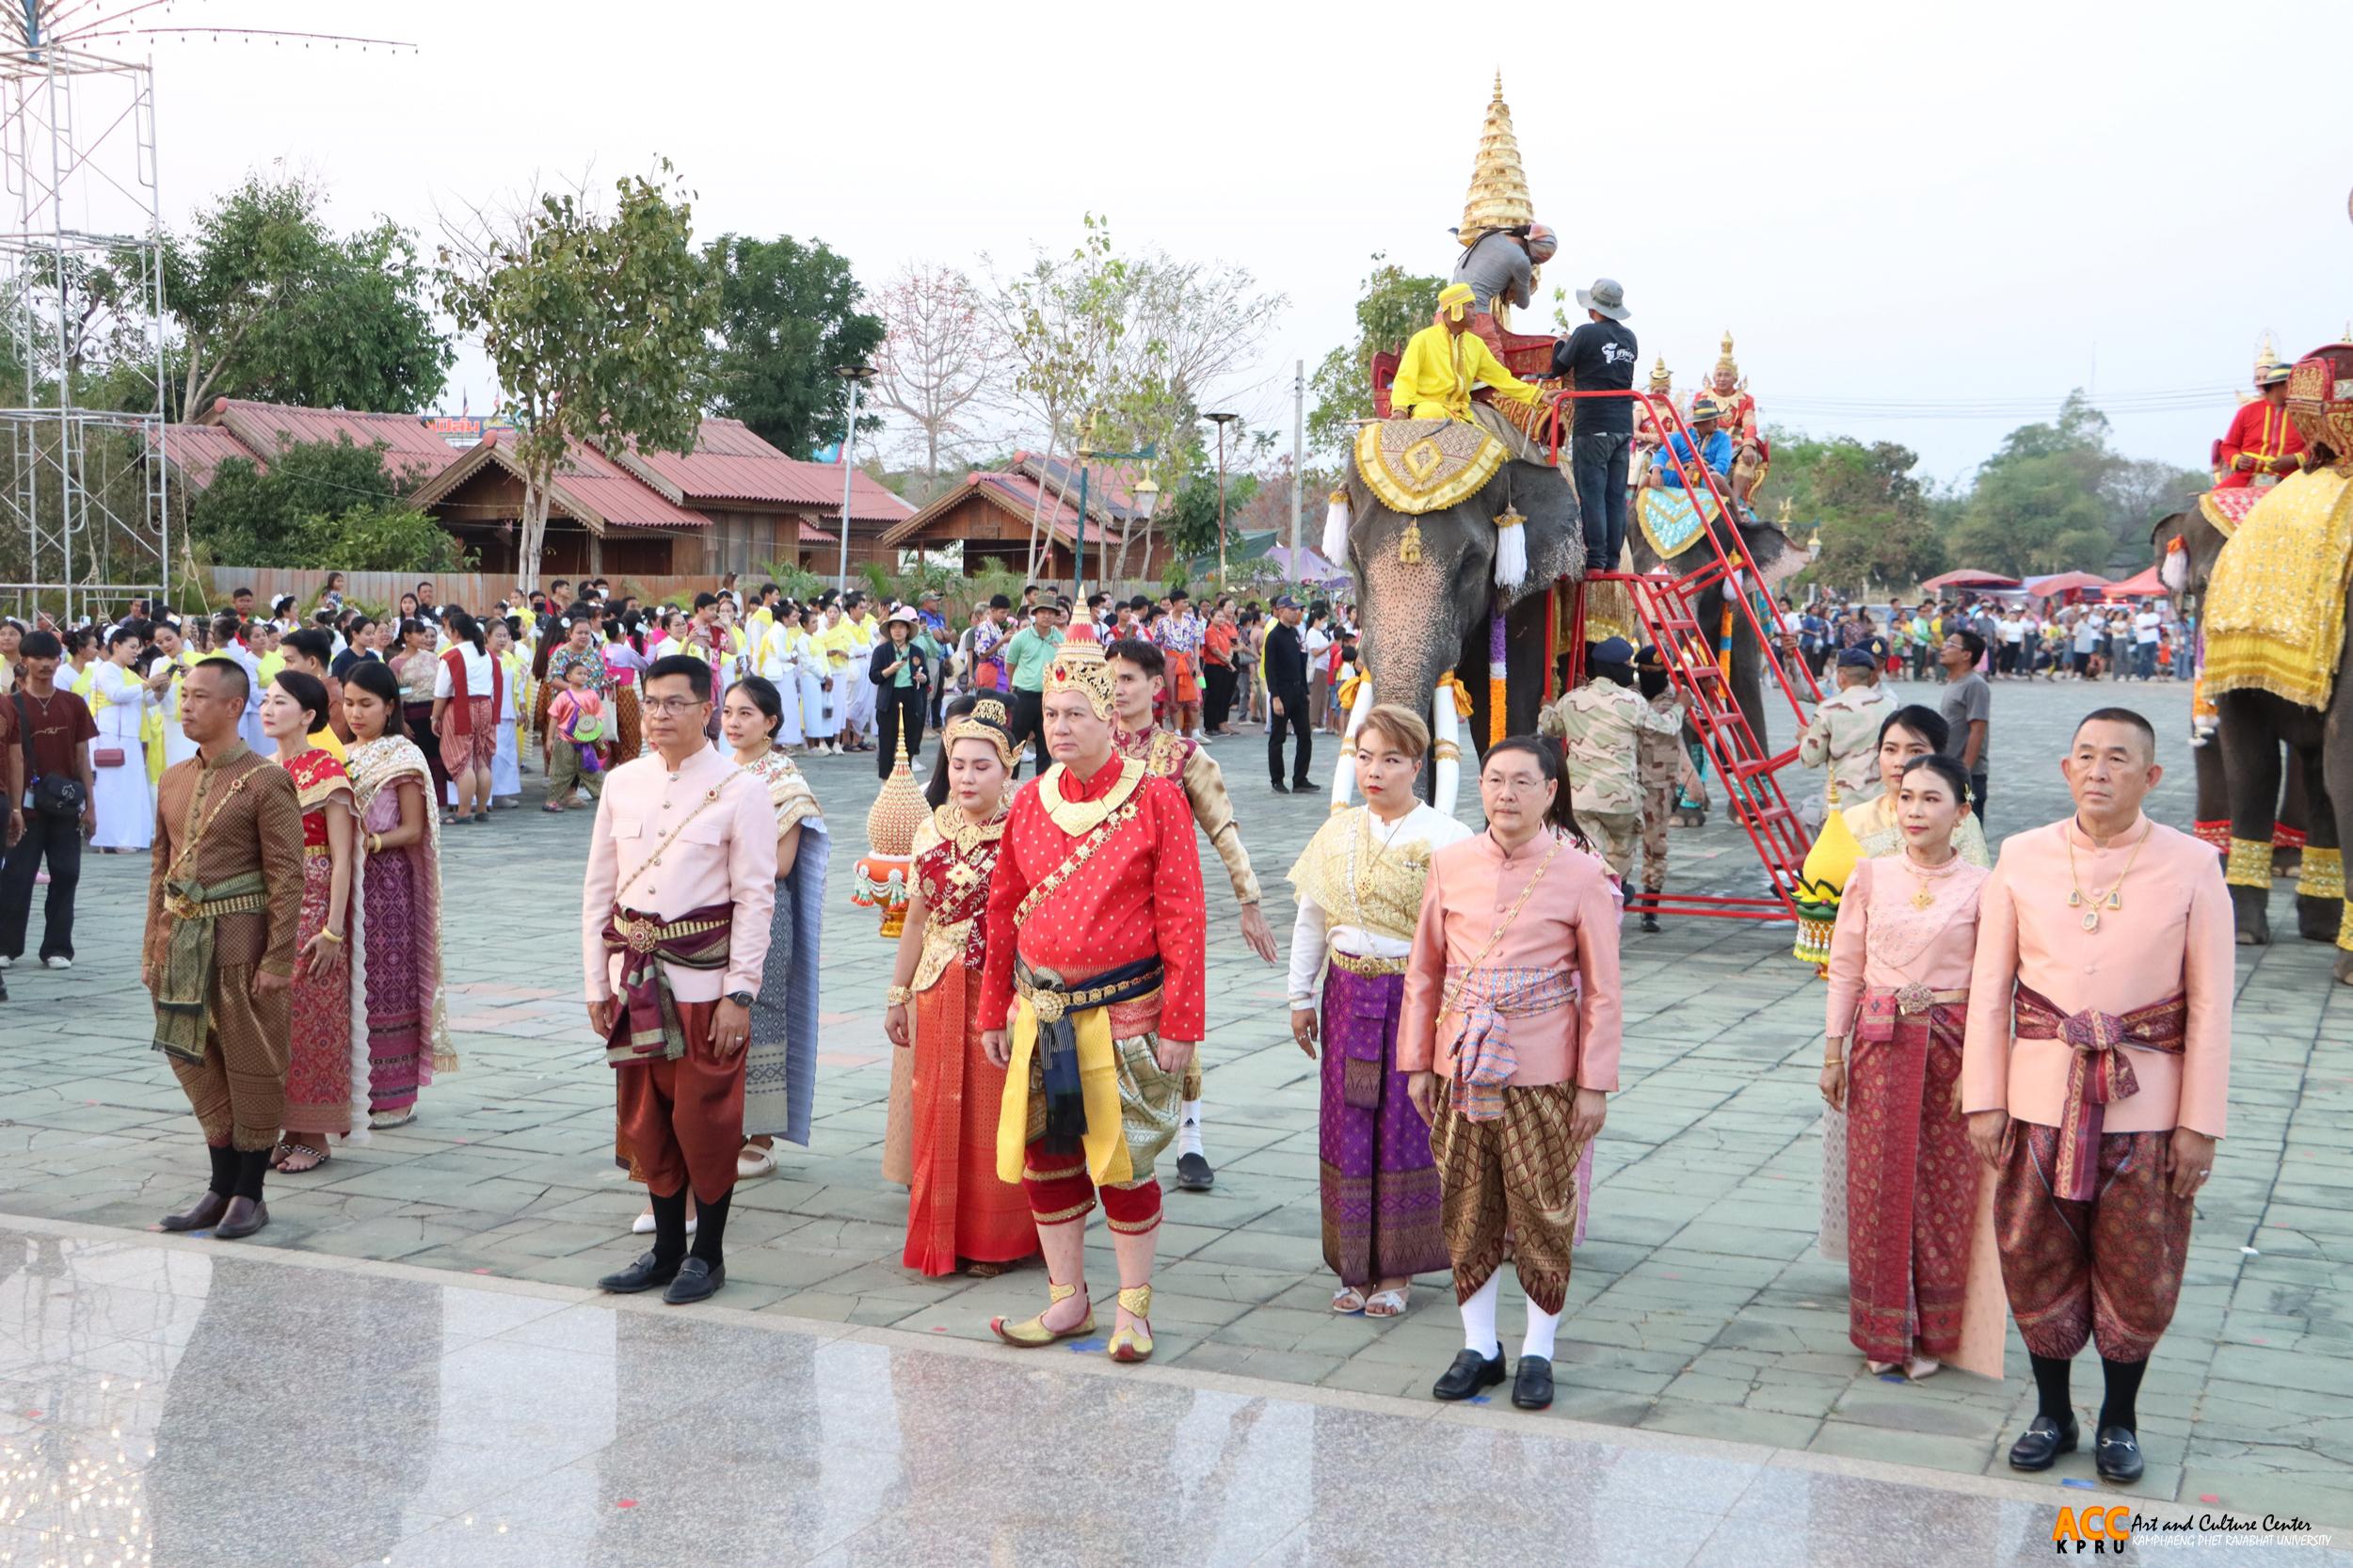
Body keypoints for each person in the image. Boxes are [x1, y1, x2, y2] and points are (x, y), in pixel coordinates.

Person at [1963, 709, 2232, 1484]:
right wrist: (1984, 1097)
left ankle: (2119, 1420)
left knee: (2139, 1267)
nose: (2099, 771)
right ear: (2065, 769)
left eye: (2118, 759)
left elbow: (2212, 1006)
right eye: (2085, 756)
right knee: (2034, 1255)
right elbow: (1989, 990)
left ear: (2152, 776)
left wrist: (2200, 1124)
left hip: (2147, 1106)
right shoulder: (2020, 856)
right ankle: (2053, 1412)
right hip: (2039, 1098)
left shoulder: (2192, 866)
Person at [976, 626, 1207, 1362]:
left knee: (1124, 1163)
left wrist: (1182, 1023)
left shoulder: (1157, 800)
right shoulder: (1029, 802)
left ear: (1112, 716)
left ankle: (1134, 1308)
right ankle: (1067, 1298)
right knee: (1049, 1158)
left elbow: (1184, 916)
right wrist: (991, 1009)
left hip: (1126, 1015)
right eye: (1050, 715)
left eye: (1076, 713)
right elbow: (1002, 909)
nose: (1061, 727)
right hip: (1039, 1013)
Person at [1400, 736, 1620, 1413]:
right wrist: (1416, 1063)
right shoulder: (1449, 863)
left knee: (1541, 1209)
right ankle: (1480, 1346)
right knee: (1468, 1206)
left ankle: (1538, 1350)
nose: (1506, 794)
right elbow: (1425, 971)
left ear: (1551, 792)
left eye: (1523, 782)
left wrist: (1593, 1084)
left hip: (1544, 1068)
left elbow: (1604, 989)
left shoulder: (1583, 873)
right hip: (1461, 1062)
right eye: (1495, 779)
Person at [584, 655, 777, 1305]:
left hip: (705, 985)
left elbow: (756, 898)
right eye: (651, 702)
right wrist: (595, 981)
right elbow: (599, 890)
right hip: (633, 981)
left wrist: (740, 993)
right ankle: (666, 1251)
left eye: (675, 703)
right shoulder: (622, 783)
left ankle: (708, 1255)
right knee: (646, 1120)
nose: (660, 715)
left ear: (707, 708)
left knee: (706, 1120)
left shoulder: (741, 788)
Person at [1818, 753, 2005, 1381]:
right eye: (1907, 798)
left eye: (1932, 799)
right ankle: (1882, 1331)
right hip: (1878, 1047)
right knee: (1877, 1188)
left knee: (1941, 1191)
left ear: (1962, 810)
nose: (1917, 811)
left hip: (1950, 1049)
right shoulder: (1869, 876)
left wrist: (1981, 1074)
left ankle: (1931, 1333)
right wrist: (1832, 1051)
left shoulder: (1985, 887)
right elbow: (1845, 966)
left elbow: (1992, 987)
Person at [1289, 704, 1469, 1317]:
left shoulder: (1447, 838)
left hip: (1413, 998)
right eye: (1365, 757)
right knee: (1345, 1124)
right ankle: (1352, 1266)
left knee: (1405, 1127)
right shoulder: (1336, 833)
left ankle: (1397, 1273)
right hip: (1344, 996)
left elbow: (1464, 938)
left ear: (1416, 765)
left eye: (1390, 759)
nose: (1375, 771)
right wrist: (1298, 995)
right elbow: (1311, 917)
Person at [1104, 637, 1280, 1192]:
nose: (1118, 688)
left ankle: (1191, 1137)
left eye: (1130, 677)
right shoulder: (1089, 748)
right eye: (1112, 677)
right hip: (1102, 910)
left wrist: (1249, 901)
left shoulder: (1183, 757)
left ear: (1158, 687)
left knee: (1177, 1017)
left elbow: (1223, 829)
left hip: (1169, 906)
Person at [145, 657, 305, 1240]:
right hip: (181, 946)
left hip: (243, 946)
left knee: (252, 1067)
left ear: (235, 707)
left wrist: (278, 958)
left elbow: (288, 877)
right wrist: (151, 950)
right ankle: (218, 1186)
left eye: (200, 697)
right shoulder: (172, 777)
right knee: (196, 1063)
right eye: (184, 695)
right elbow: (160, 870)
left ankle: (250, 1194)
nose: (186, 705)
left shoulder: (266, 779)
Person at [883, 695, 1037, 1276]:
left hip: (1003, 986)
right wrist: (898, 993)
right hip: (939, 986)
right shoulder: (930, 828)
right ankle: (939, 1233)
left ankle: (997, 1240)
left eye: (982, 766)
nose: (967, 777)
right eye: (958, 764)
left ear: (1008, 769)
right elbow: (917, 919)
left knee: (995, 1112)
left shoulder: (1026, 829)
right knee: (939, 1109)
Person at [340, 662, 456, 1129]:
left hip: (386, 885)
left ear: (389, 706)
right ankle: (346, 1086)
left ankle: (393, 1094)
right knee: (347, 984)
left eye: (366, 704)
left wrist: (371, 842)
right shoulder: (339, 753)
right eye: (348, 703)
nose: (355, 713)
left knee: (387, 984)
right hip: (344, 881)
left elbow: (413, 828)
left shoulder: (403, 756)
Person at [721, 676, 827, 1187]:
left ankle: (760, 1138)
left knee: (760, 1011)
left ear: (771, 722)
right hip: (714, 910)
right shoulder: (716, 771)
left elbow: (781, 864)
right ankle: (723, 1125)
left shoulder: (783, 779)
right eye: (727, 712)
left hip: (764, 910)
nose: (733, 723)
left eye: (746, 714)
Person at [1791, 706, 1991, 971]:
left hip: (1941, 966)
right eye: (1890, 749)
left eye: (1916, 751)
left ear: (1938, 756)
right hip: (1867, 966)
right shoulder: (1853, 821)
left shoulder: (1960, 824)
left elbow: (1979, 903)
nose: (1901, 761)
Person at [260, 670, 360, 1174]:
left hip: (315, 901)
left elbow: (342, 856)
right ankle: (287, 1126)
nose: (268, 709)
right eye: (266, 700)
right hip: (270, 904)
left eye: (281, 701)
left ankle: (314, 1132)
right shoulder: (262, 770)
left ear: (309, 715)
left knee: (314, 1015)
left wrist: (333, 929)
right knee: (275, 1018)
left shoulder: (325, 769)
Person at [1545, 636, 1678, 884]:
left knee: (1584, 860)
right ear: (1618, 668)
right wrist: (1681, 707)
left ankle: (1586, 899)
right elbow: (1666, 727)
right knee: (1618, 864)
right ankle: (1614, 894)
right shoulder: (1633, 702)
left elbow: (1549, 728)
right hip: (1621, 802)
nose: (1632, 670)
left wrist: (1547, 708)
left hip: (1580, 799)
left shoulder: (1572, 699)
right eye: (1628, 665)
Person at [0, 631, 96, 969]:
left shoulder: (73, 704)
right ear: (23, 662)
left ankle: (57, 947)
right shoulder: (10, 706)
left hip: (64, 805)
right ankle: (7, 946)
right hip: (24, 808)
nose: (45, 664)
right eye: (37, 658)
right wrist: (12, 807)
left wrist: (92, 808)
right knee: (16, 876)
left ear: (59, 660)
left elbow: (83, 757)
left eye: (51, 657)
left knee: (67, 873)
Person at [1387, 282, 1548, 462]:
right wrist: (1400, 409)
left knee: (1494, 451)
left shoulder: (1476, 345)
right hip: (1427, 407)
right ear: (1455, 309)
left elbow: (1503, 379)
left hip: (1460, 413)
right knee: (1431, 412)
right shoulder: (1422, 340)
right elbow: (1404, 379)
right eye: (1470, 306)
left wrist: (1538, 396)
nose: (1476, 312)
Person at [1551, 278, 1639, 570]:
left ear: (1592, 309)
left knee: (1592, 495)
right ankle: (1613, 561)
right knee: (1615, 496)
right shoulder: (1630, 339)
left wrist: (1561, 344)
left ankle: (1595, 560)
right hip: (1623, 427)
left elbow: (1558, 367)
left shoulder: (1585, 333)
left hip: (1593, 425)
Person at [1629, 645, 1693, 932]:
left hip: (1660, 786)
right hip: (1626, 782)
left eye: (1653, 673)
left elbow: (1705, 715)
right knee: (1620, 845)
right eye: (1644, 673)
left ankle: (1650, 907)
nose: (1647, 677)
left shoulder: (1678, 697)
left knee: (1655, 846)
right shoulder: (1627, 695)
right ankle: (1614, 896)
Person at [1797, 648, 1894, 815]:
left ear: (1841, 676)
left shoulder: (1828, 709)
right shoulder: (1891, 706)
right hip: (1882, 802)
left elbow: (1811, 759)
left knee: (1808, 818)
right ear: (1870, 676)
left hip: (1843, 804)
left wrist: (1804, 738)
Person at [88, 626, 156, 854]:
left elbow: (147, 701)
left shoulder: (129, 673)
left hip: (128, 737)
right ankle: (112, 839)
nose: (137, 652)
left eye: (138, 648)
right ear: (116, 646)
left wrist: (160, 690)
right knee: (111, 788)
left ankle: (125, 836)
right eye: (132, 647)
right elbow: (115, 694)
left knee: (129, 788)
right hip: (108, 737)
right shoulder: (107, 669)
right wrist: (148, 685)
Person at [2214, 356, 2304, 490]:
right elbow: (2229, 446)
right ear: (2276, 385)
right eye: (2291, 384)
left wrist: (2294, 458)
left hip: (2291, 478)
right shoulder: (2247, 412)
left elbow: (2317, 448)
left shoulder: (2304, 413)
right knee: (2212, 501)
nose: (2297, 388)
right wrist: (2238, 459)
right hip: (2248, 476)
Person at [1000, 600, 1063, 776]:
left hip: (1050, 697)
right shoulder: (1020, 638)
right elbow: (1010, 666)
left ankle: (1042, 787)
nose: (1047, 616)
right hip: (1024, 696)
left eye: (1051, 613)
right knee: (1017, 743)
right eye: (1042, 612)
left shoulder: (1060, 638)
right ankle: (1011, 785)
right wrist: (1014, 688)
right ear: (1035, 614)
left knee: (1045, 743)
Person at [1937, 630, 1993, 823]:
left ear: (1966, 654)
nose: (1943, 648)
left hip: (1968, 774)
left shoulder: (1975, 684)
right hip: (1950, 769)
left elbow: (1978, 729)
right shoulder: (1954, 682)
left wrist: (1965, 770)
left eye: (1950, 644)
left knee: (1970, 833)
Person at [869, 607, 931, 778]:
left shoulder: (916, 651)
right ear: (889, 630)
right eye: (894, 627)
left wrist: (922, 678)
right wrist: (889, 670)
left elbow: (926, 678)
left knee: (909, 741)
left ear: (908, 630)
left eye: (901, 627)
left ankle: (906, 779)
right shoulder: (881, 651)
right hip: (889, 699)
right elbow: (874, 676)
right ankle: (885, 781)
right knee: (887, 742)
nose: (897, 630)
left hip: (911, 697)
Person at [544, 655, 609, 812]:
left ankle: (606, 800)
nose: (583, 676)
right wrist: (549, 739)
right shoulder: (563, 696)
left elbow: (597, 717)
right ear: (568, 676)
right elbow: (554, 718)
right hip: (565, 740)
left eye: (586, 673)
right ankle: (551, 801)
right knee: (560, 772)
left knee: (592, 771)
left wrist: (599, 734)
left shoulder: (592, 695)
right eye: (579, 673)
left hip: (586, 741)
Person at [1264, 596, 1312, 792]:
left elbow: (1301, 664)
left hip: (1298, 690)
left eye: (1297, 609)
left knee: (1305, 736)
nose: (1296, 612)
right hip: (1282, 691)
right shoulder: (1274, 636)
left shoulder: (1295, 633)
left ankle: (1300, 779)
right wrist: (1275, 696)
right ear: (1281, 610)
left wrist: (1305, 691)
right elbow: (1270, 668)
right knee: (1278, 737)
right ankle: (1277, 779)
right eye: (1292, 609)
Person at [1648, 398, 1733, 490]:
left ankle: (1733, 504)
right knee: (1649, 477)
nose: (1717, 423)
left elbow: (1723, 463)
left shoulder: (1723, 439)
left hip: (1706, 477)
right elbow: (1663, 454)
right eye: (1712, 420)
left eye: (1716, 419)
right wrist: (1656, 471)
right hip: (1681, 477)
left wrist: (1703, 470)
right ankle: (1632, 502)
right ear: (1698, 423)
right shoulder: (1679, 436)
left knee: (1715, 480)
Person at [488, 617, 526, 807]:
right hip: (491, 712)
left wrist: (521, 706)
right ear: (487, 637)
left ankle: (502, 794)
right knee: (494, 753)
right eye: (498, 636)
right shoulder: (485, 657)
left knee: (507, 753)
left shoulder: (510, 658)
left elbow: (517, 683)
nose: (502, 640)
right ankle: (488, 793)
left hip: (509, 711)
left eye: (505, 636)